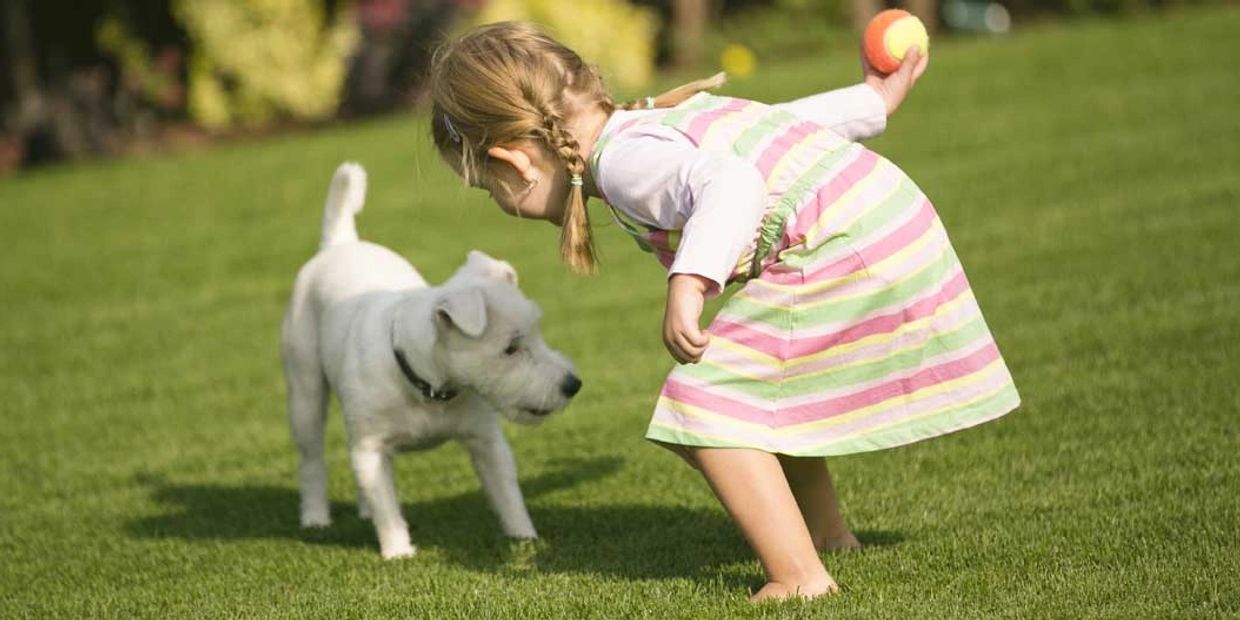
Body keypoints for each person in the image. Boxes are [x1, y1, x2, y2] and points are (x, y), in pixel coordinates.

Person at [427, 21, 1019, 602]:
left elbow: (733, 181)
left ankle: (799, 577)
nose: (501, 203)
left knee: (705, 405)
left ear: (514, 162)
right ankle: (827, 537)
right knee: (759, 393)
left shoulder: (624, 162)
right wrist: (869, 103)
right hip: (883, 220)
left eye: (489, 189)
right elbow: (773, 128)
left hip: (843, 244)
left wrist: (690, 279)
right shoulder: (647, 123)